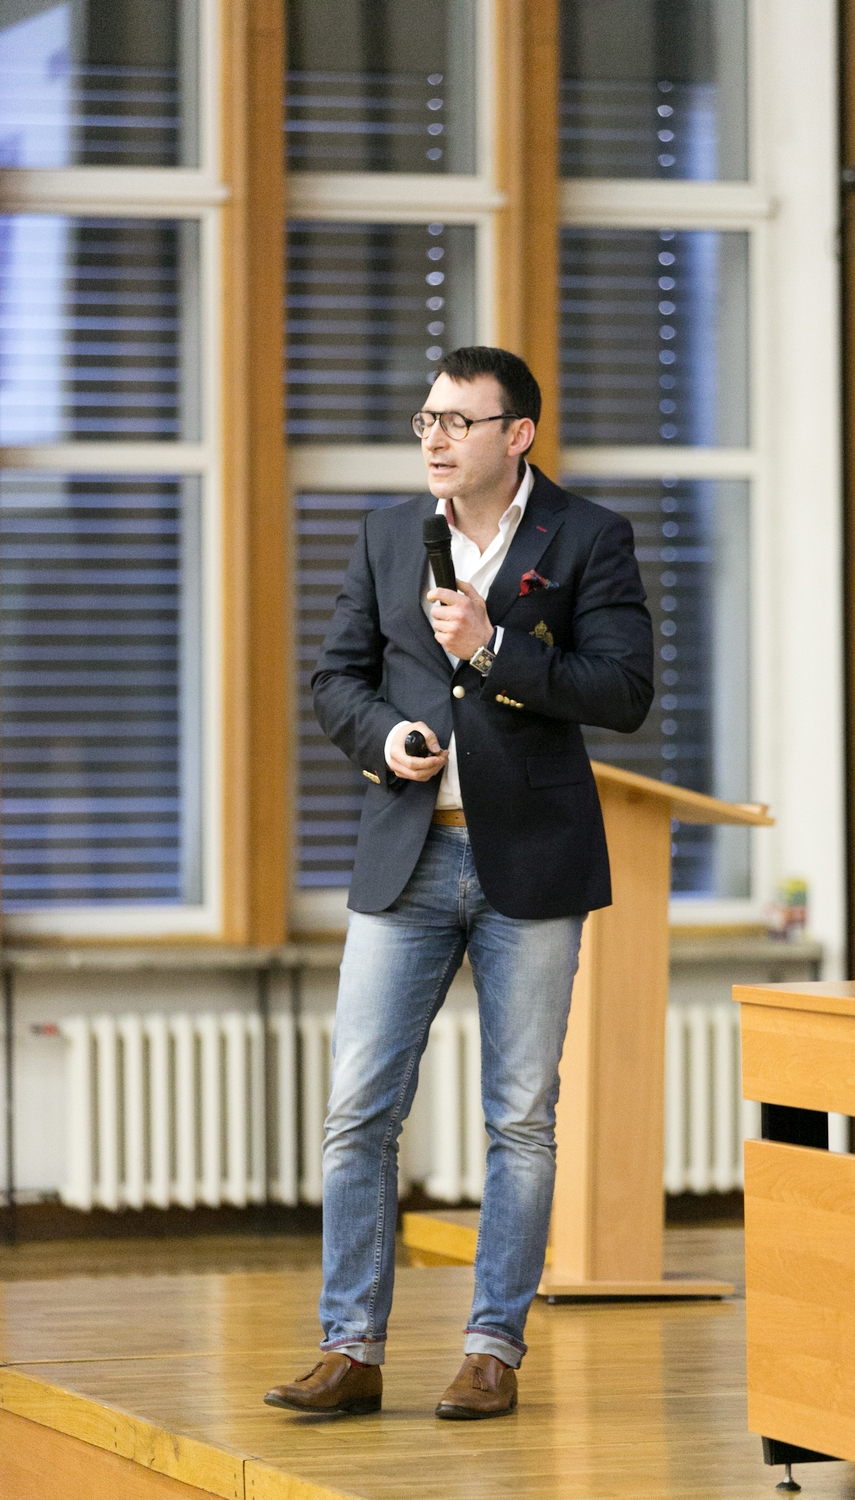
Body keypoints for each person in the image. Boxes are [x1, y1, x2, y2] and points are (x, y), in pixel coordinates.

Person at [264, 346, 653, 1421]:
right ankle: (350, 1349)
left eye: (457, 421)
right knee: (358, 1111)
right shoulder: (390, 535)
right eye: (425, 420)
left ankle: (491, 1351)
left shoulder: (588, 537)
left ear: (516, 434)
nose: (434, 438)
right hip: (409, 857)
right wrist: (384, 739)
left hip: (532, 859)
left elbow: (622, 692)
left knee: (520, 1118)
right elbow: (336, 679)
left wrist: (493, 647)